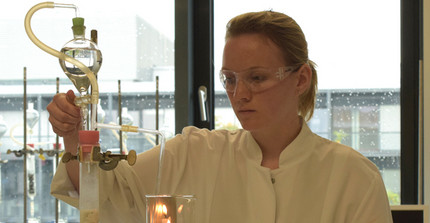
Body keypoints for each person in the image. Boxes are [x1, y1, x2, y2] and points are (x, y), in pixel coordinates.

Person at [49, 11, 393, 223]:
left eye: (257, 77)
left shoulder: (353, 177)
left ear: (300, 79)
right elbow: (105, 196)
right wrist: (75, 135)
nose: (239, 94)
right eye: (229, 78)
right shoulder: (191, 152)